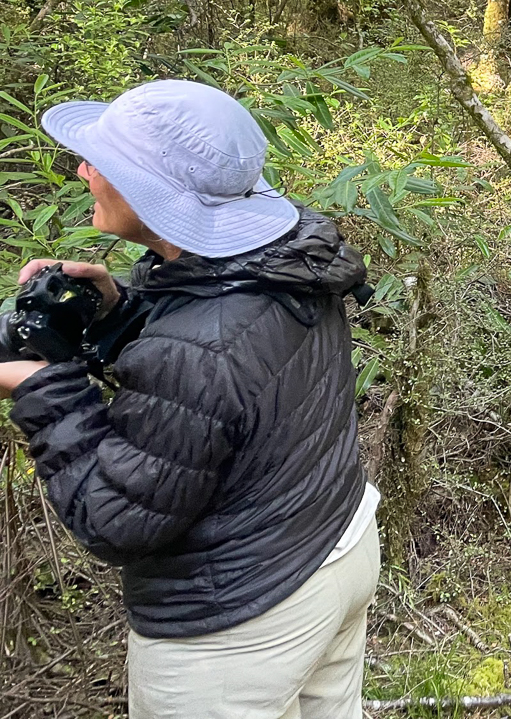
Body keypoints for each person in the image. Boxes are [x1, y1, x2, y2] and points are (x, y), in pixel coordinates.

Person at [0, 80, 377, 719]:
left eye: (103, 161)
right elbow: (233, 370)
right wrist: (123, 312)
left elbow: (116, 521)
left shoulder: (197, 346)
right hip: (334, 544)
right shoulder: (287, 259)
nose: (84, 170)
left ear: (154, 193)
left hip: (239, 617)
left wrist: (43, 390)